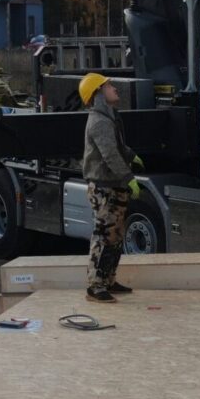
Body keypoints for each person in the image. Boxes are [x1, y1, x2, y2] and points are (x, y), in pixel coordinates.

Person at [79, 72, 143, 303]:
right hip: (105, 188)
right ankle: (95, 287)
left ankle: (108, 280)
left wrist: (131, 155)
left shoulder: (109, 117)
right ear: (97, 93)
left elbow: (117, 147)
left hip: (112, 186)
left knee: (114, 237)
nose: (114, 88)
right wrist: (129, 177)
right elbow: (110, 155)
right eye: (108, 86)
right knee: (104, 236)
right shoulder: (99, 122)